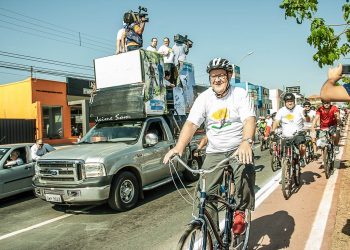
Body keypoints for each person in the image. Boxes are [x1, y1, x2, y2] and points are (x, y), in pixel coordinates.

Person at [164, 58, 256, 235]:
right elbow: (191, 124)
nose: (217, 79)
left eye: (221, 75)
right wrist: (178, 148)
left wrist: (246, 142)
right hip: (215, 152)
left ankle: (240, 211)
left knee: (245, 170)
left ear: (229, 76)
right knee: (204, 195)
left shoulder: (240, 94)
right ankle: (213, 236)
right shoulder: (204, 98)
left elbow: (249, 119)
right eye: (213, 76)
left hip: (238, 147)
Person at [271, 93, 307, 166]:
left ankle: (301, 158)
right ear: (285, 102)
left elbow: (307, 119)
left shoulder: (300, 108)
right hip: (285, 135)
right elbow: (276, 121)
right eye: (288, 101)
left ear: (294, 101)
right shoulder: (281, 110)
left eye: (291, 101)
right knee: (280, 149)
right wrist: (272, 130)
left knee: (302, 147)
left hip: (298, 134)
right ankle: (285, 164)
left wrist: (306, 115)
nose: (290, 103)